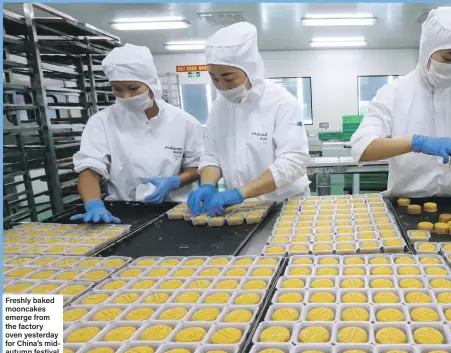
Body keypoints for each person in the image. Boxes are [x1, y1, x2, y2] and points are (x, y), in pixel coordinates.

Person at [351, 6, 451, 197]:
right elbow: (362, 148)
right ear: (427, 51)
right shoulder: (394, 93)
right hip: (404, 205)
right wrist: (416, 143)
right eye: (448, 58)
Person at [71, 44, 204, 223]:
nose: (126, 96)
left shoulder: (184, 122)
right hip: (122, 210)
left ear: (151, 84)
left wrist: (174, 182)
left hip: (175, 209)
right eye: (117, 89)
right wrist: (94, 203)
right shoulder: (101, 122)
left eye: (133, 88)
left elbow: (195, 167)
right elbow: (89, 169)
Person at [188, 22, 310, 216]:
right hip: (240, 209)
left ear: (250, 69)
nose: (221, 86)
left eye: (228, 78)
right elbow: (211, 154)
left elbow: (293, 160)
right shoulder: (219, 107)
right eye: (214, 78)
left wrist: (240, 193)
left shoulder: (281, 102)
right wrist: (207, 185)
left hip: (284, 206)